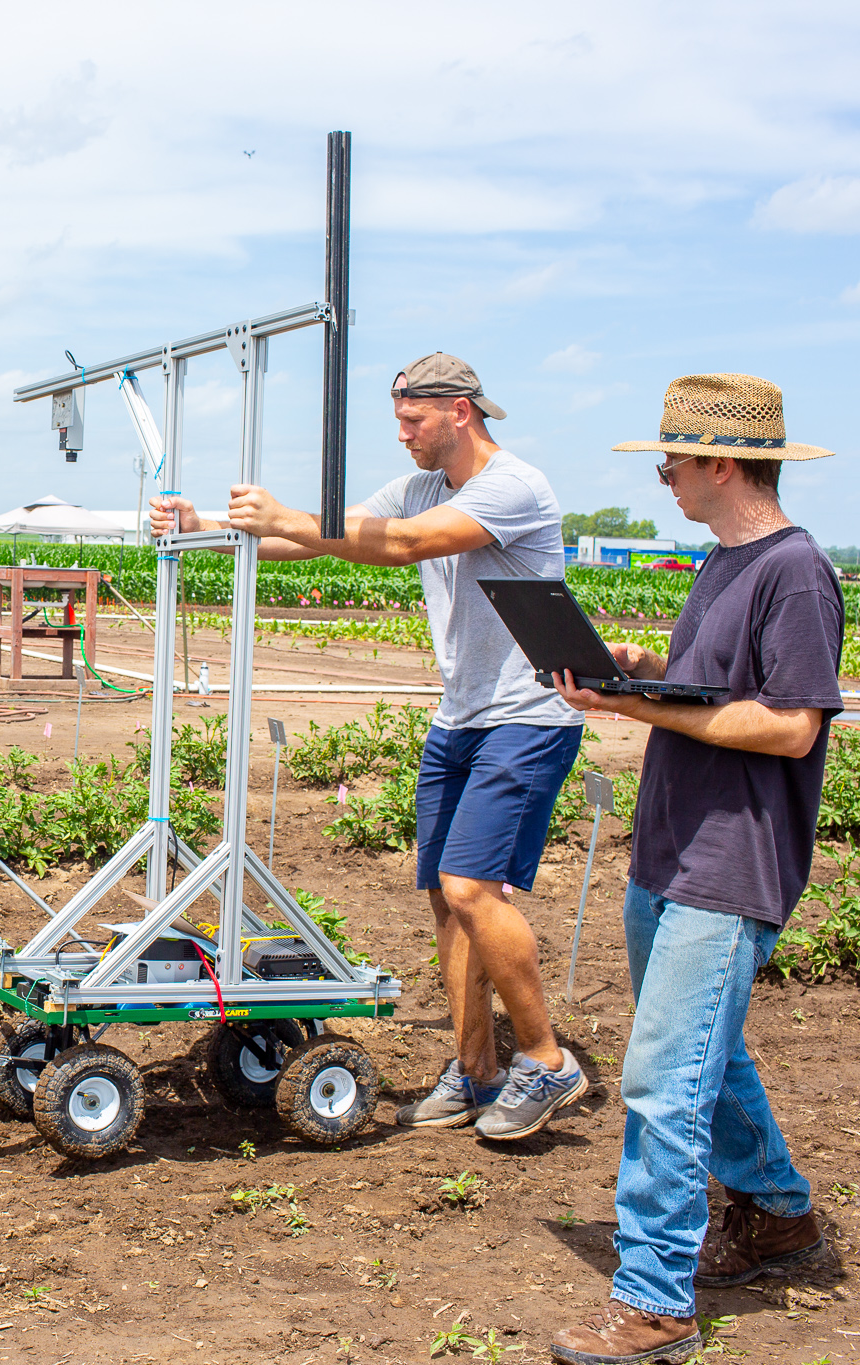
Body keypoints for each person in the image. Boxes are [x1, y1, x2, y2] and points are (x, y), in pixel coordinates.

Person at [152, 352, 589, 1140]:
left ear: (460, 411)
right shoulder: (422, 485)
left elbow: (408, 544)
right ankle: (477, 1071)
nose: (402, 436)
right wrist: (210, 528)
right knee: (446, 903)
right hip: (461, 717)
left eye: (412, 420)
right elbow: (333, 538)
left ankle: (548, 1060)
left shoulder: (513, 487)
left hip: (526, 715)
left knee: (470, 890)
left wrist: (286, 515)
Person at [545, 374, 838, 1365]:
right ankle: (776, 1213)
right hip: (669, 847)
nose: (660, 473)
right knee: (706, 1059)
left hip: (729, 859)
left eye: (670, 458)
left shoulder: (791, 571)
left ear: (720, 462)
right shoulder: (720, 565)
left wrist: (637, 706)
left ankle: (654, 1299)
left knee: (661, 1081)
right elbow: (716, 693)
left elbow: (791, 726)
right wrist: (633, 671)